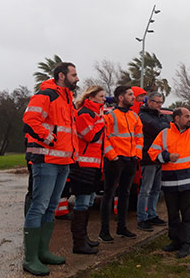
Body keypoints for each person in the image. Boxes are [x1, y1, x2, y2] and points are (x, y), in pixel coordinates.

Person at [22, 62, 79, 276]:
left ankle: (43, 251)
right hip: (46, 160)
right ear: (62, 75)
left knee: (51, 207)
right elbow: (30, 120)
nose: (78, 78)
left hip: (63, 161)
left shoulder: (68, 100)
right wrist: (49, 139)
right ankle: (30, 258)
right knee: (39, 206)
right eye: (74, 74)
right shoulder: (46, 95)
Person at [148, 107, 190, 258]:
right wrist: (166, 157)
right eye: (187, 116)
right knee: (172, 214)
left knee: (187, 215)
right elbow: (152, 153)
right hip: (170, 182)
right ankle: (175, 241)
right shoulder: (164, 134)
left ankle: (185, 244)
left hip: (188, 181)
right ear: (177, 118)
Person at [99, 86, 143, 243]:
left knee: (125, 193)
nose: (134, 97)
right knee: (109, 194)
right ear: (121, 98)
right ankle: (104, 231)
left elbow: (139, 137)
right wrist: (113, 157)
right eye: (130, 95)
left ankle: (121, 227)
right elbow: (104, 138)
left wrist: (137, 156)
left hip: (130, 160)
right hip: (115, 160)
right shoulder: (110, 116)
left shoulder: (134, 117)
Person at [70, 85, 107, 254]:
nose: (104, 99)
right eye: (101, 96)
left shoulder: (96, 114)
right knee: (82, 203)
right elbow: (90, 136)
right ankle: (78, 243)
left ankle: (84, 238)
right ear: (91, 97)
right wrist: (101, 121)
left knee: (89, 202)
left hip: (94, 165)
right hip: (83, 165)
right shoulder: (85, 113)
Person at [136, 92, 169, 232]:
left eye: (161, 102)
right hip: (148, 157)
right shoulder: (143, 116)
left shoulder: (159, 115)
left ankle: (152, 214)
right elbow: (159, 128)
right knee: (146, 189)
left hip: (159, 157)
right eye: (157, 102)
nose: (159, 105)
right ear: (149, 102)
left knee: (156, 189)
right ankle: (142, 217)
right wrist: (163, 125)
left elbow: (167, 128)